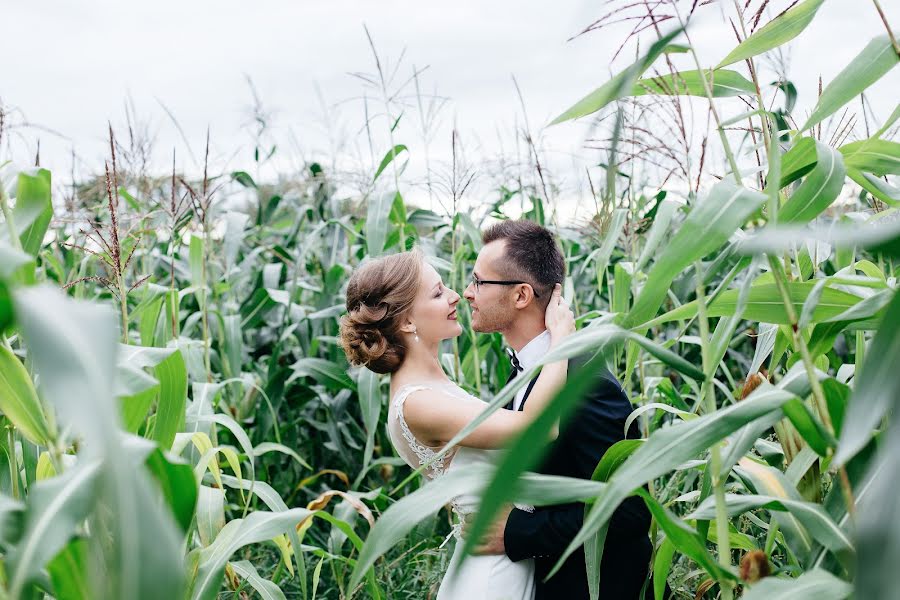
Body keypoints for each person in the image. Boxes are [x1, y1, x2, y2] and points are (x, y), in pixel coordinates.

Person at [339, 247, 575, 600]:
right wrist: (562, 340)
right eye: (437, 293)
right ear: (406, 321)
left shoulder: (435, 387)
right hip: (494, 577)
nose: (455, 296)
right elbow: (536, 428)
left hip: (508, 556)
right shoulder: (418, 402)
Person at [462, 220, 653, 599]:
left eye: (478, 282)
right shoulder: (526, 370)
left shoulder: (587, 385)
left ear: (521, 295)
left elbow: (630, 511)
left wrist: (516, 532)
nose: (468, 293)